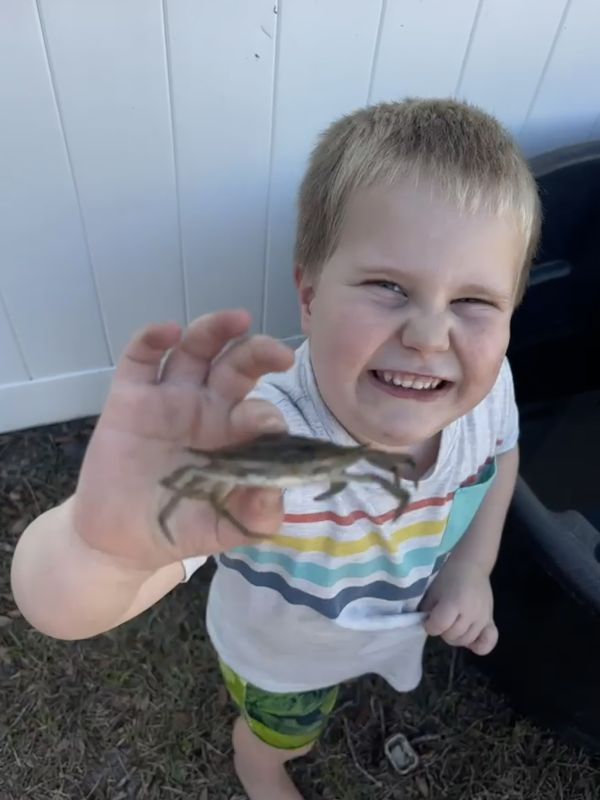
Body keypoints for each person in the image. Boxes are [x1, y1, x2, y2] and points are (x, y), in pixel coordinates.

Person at [11, 97, 541, 800]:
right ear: (310, 295)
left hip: (382, 627)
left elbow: (501, 458)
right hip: (281, 663)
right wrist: (103, 549)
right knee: (286, 729)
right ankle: (256, 761)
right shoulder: (261, 440)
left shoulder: (486, 389)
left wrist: (474, 566)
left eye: (475, 302)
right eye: (389, 286)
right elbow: (58, 609)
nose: (430, 334)